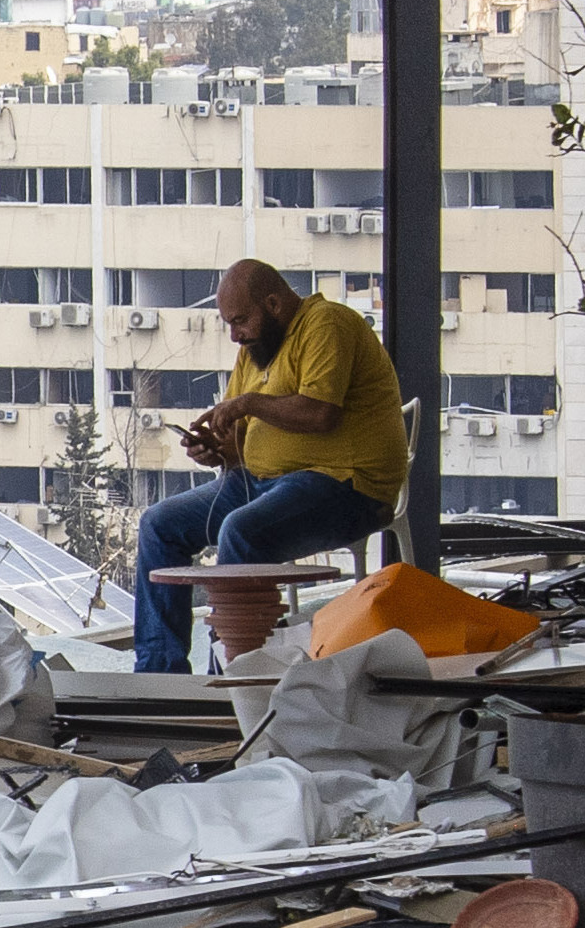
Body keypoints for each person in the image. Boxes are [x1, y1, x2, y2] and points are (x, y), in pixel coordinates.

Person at [130, 259, 409, 671]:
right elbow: (242, 448)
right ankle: (158, 673)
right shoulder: (254, 352)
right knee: (159, 524)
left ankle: (230, 675)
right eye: (229, 323)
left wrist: (247, 403)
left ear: (275, 304)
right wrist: (216, 452)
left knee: (241, 530)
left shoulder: (327, 324)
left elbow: (320, 414)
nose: (235, 334)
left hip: (346, 486)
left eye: (241, 320)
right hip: (261, 482)